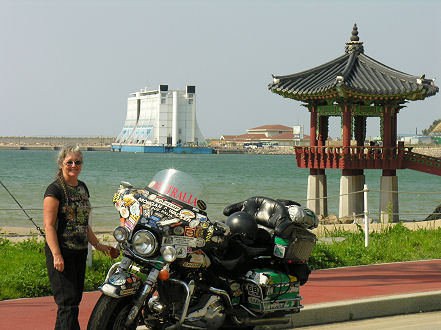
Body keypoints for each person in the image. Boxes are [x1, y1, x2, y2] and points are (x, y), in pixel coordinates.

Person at [44, 145, 112, 330]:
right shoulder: (54, 190)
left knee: (73, 301)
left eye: (77, 162)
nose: (74, 165)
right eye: (69, 162)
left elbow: (83, 223)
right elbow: (49, 226)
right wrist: (57, 255)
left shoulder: (82, 188)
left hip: (80, 251)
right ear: (61, 164)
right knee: (67, 303)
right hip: (62, 252)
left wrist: (98, 244)